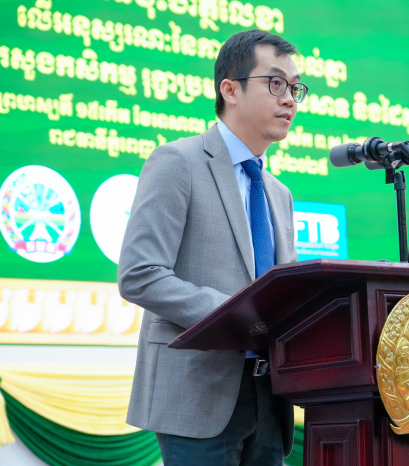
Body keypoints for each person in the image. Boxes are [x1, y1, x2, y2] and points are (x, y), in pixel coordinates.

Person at [118, 29, 308, 465]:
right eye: (275, 83)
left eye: (296, 88)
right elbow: (140, 275)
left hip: (270, 395)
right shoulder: (178, 162)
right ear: (230, 89)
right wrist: (239, 318)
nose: (290, 100)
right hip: (197, 392)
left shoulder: (279, 193)